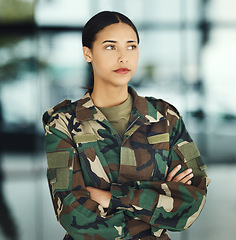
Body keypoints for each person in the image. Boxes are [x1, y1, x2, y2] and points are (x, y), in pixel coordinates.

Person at [42, 11, 210, 240]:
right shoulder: (63, 123)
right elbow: (74, 215)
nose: (124, 57)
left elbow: (192, 202)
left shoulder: (165, 117)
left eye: (131, 47)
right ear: (87, 53)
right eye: (110, 47)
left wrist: (112, 198)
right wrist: (157, 201)